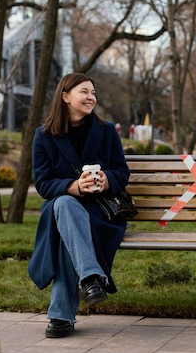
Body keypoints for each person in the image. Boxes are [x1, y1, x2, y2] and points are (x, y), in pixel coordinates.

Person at [28, 73, 130, 338]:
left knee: (66, 230)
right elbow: (43, 183)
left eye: (93, 93)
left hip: (100, 211)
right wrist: (74, 187)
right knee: (63, 204)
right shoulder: (44, 136)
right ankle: (91, 278)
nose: (91, 97)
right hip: (63, 208)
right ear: (65, 97)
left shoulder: (106, 131)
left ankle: (63, 313)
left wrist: (106, 179)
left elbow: (121, 171)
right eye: (84, 92)